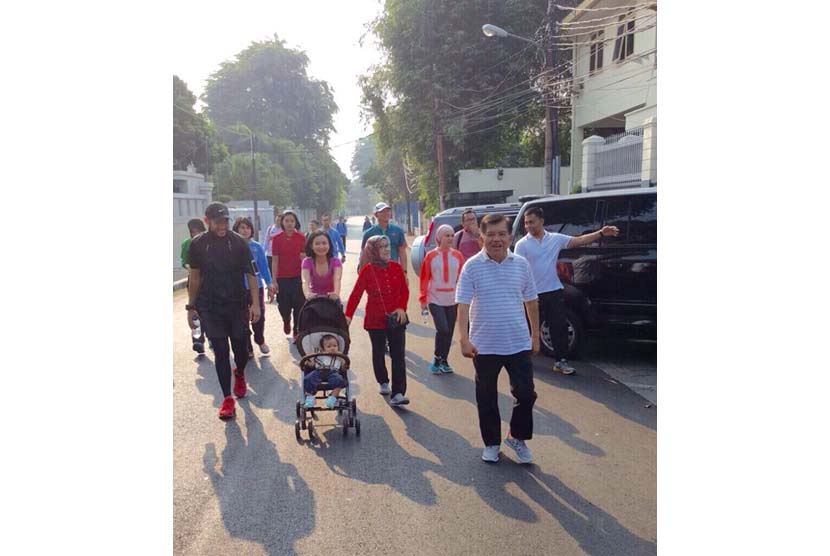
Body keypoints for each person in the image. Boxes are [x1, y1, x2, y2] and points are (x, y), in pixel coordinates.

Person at [455, 213, 540, 463]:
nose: (496, 239)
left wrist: (535, 336)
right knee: (486, 397)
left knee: (526, 394)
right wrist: (463, 339)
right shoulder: (471, 266)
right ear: (481, 237)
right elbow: (461, 305)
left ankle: (517, 436)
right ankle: (491, 443)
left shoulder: (521, 264)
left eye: (501, 234)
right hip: (484, 346)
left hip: (518, 342)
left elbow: (532, 301)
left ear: (510, 236)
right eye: (490, 235)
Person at [514, 206, 619, 375]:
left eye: (531, 222)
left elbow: (579, 240)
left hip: (553, 290)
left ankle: (561, 361)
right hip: (530, 294)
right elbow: (517, 269)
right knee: (525, 327)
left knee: (559, 326)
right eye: (526, 223)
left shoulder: (555, 239)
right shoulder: (522, 245)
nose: (528, 226)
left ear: (541, 221)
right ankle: (523, 359)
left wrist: (600, 233)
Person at [186, 203, 261, 420]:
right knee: (220, 351)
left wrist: (255, 304)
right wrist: (191, 307)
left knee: (240, 347)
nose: (223, 225)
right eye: (218, 221)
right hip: (210, 306)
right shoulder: (198, 244)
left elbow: (251, 274)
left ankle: (239, 372)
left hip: (237, 304)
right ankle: (227, 398)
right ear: (207, 221)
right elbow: (195, 276)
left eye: (226, 221)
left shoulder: (238, 243)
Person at [345, 236, 410, 406]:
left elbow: (404, 290)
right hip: (375, 319)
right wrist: (348, 316)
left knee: (398, 355)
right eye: (381, 247)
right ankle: (382, 380)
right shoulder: (367, 270)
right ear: (373, 251)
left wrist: (402, 307)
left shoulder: (396, 267)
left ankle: (398, 393)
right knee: (378, 351)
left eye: (387, 246)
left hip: (396, 318)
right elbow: (355, 295)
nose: (387, 249)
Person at [419, 224, 464, 375]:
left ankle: (444, 360)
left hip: (452, 298)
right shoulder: (431, 256)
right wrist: (423, 299)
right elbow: (424, 278)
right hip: (435, 298)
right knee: (442, 329)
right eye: (447, 235)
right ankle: (437, 357)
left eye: (452, 235)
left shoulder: (458, 255)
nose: (450, 238)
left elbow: (462, 278)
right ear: (438, 237)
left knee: (449, 331)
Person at [232, 217, 272, 357]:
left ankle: (260, 339)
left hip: (257, 287)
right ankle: (247, 347)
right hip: (238, 289)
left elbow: (263, 267)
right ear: (236, 230)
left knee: (259, 315)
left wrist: (269, 283)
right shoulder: (231, 247)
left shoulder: (257, 247)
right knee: (242, 318)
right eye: (242, 227)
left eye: (248, 227)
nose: (245, 230)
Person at [271, 210, 305, 341]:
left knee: (299, 305)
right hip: (282, 277)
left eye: (292, 221)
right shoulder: (276, 239)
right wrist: (274, 280)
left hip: (298, 277)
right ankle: (286, 319)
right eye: (287, 221)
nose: (289, 223)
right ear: (282, 223)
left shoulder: (301, 238)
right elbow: (275, 259)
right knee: (283, 305)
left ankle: (296, 330)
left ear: (295, 222)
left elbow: (305, 258)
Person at [181, 218, 207, 353]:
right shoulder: (187, 244)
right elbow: (184, 261)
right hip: (194, 281)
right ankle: (198, 340)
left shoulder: (209, 241)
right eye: (192, 231)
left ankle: (213, 338)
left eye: (198, 230)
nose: (195, 233)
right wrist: (189, 268)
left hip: (210, 281)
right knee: (195, 312)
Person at [360, 202, 408, 274]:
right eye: (382, 212)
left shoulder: (398, 231)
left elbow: (402, 253)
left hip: (393, 271)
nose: (386, 213)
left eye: (388, 211)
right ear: (376, 214)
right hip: (375, 273)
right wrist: (362, 273)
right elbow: (364, 255)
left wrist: (404, 272)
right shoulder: (369, 233)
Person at [302, 334, 347, 410]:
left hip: (333, 372)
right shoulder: (319, 355)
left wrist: (342, 359)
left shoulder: (339, 356)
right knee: (308, 379)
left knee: (340, 380)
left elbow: (343, 368)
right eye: (329, 347)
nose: (332, 348)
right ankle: (310, 398)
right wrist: (308, 360)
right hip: (318, 371)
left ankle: (332, 398)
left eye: (335, 346)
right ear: (323, 349)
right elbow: (311, 365)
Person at [301, 230, 342, 302]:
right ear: (311, 246)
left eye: (324, 243)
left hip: (331, 300)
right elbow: (305, 280)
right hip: (313, 299)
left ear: (329, 245)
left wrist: (336, 293)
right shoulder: (307, 262)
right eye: (317, 244)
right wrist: (307, 294)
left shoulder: (336, 261)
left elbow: (337, 279)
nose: (321, 246)